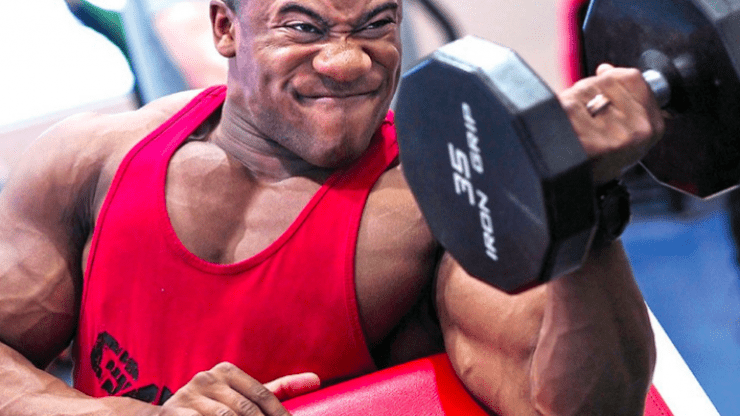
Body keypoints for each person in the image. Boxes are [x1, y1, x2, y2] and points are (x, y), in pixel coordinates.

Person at [0, 0, 663, 414]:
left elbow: (577, 407)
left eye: (376, 24)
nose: (348, 62)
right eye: (302, 26)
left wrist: (583, 208)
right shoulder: (94, 159)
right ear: (226, 27)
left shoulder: (435, 208)